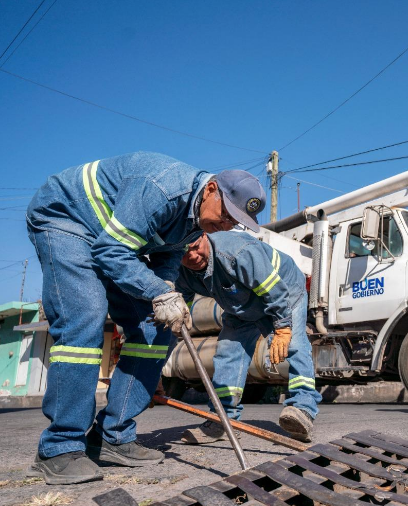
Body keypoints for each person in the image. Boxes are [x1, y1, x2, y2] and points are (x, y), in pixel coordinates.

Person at [25, 153, 265, 485]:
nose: (226, 225)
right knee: (85, 319)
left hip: (111, 241)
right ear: (211, 189)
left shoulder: (196, 217)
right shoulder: (162, 189)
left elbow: (168, 253)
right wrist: (156, 290)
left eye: (233, 222)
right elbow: (110, 251)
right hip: (68, 218)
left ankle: (113, 436)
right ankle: (59, 448)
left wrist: (165, 287)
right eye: (225, 214)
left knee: (155, 330)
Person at [176, 231, 321, 443]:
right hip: (241, 306)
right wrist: (178, 316)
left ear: (205, 236)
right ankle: (223, 420)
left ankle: (303, 411)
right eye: (184, 252)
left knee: (295, 345)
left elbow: (274, 290)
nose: (193, 255)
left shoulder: (237, 252)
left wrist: (282, 328)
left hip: (285, 290)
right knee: (228, 354)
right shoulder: (184, 271)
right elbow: (180, 300)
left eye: (196, 246)